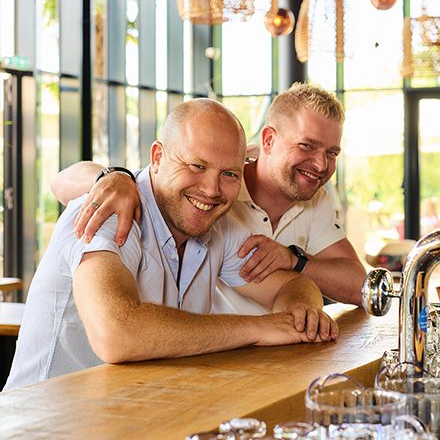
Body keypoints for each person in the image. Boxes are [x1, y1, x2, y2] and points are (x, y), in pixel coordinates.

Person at [3, 99, 337, 391]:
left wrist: (302, 313)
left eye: (229, 174)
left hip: (137, 419)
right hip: (46, 425)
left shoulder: (219, 228)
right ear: (158, 157)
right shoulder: (108, 211)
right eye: (197, 166)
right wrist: (261, 328)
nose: (212, 190)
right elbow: (116, 333)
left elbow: (293, 284)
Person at [52, 83, 366, 314]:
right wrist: (115, 177)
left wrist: (293, 261)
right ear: (269, 139)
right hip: (204, 363)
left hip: (231, 369)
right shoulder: (167, 198)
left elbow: (356, 285)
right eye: (308, 145)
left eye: (331, 153)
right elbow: (63, 181)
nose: (321, 164)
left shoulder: (308, 198)